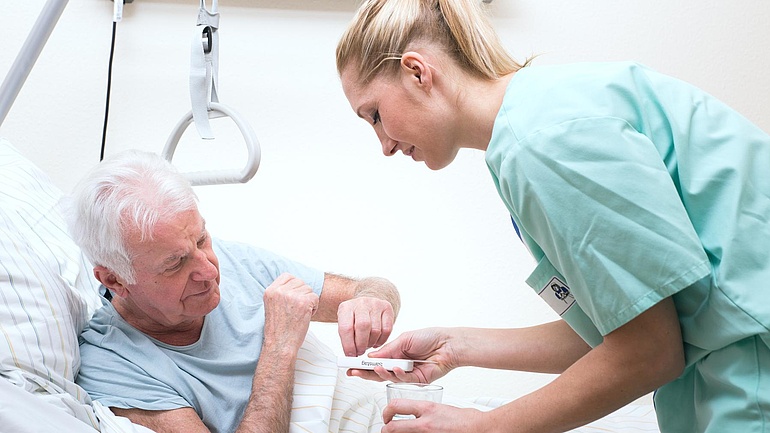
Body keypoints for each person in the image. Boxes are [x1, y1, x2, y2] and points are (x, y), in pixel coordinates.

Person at [335, 0, 770, 432]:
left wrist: (483, 427)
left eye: (375, 115)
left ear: (417, 72)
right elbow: (628, 323)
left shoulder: (542, 143)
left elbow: (650, 351)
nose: (384, 145)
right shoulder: (541, 117)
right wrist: (454, 346)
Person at [67, 150, 401, 433]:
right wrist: (280, 346)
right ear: (115, 280)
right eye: (175, 263)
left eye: (202, 239)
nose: (210, 271)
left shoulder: (233, 260)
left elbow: (369, 287)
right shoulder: (113, 364)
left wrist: (372, 300)